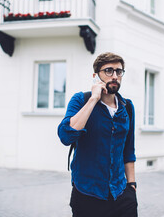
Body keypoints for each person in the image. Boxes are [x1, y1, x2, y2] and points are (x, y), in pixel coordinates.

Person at [58, 52, 137, 217]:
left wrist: (132, 185)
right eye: (108, 70)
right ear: (96, 76)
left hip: (121, 194)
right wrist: (93, 99)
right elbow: (66, 136)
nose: (114, 76)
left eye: (119, 71)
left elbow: (128, 150)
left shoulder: (127, 107)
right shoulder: (81, 100)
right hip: (88, 195)